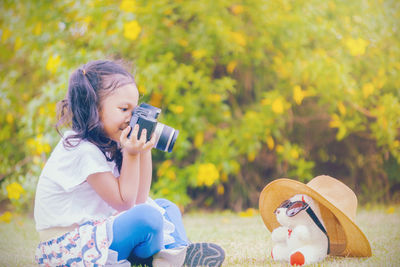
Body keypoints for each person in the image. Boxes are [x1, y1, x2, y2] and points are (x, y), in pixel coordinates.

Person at [34, 60, 225, 267]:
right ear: (94, 110)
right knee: (147, 217)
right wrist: (132, 155)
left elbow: (138, 199)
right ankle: (170, 258)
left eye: (135, 111)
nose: (131, 118)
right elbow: (124, 203)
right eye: (124, 109)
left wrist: (144, 150)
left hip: (100, 235)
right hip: (71, 245)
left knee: (165, 207)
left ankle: (177, 254)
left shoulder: (106, 143)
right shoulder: (82, 150)